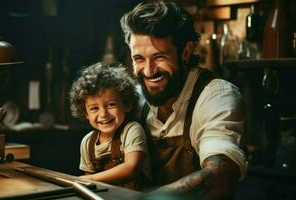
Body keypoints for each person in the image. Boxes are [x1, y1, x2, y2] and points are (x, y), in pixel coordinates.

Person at [120, 1, 246, 199]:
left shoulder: (216, 96)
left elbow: (222, 174)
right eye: (139, 59)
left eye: (159, 57)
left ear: (186, 52)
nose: (148, 71)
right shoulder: (133, 99)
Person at [69, 62, 151, 190]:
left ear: (127, 104)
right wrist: (87, 180)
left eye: (111, 105)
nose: (103, 114)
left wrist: (87, 179)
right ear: (85, 113)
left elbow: (131, 168)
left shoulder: (132, 130)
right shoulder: (87, 142)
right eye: (94, 108)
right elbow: (89, 186)